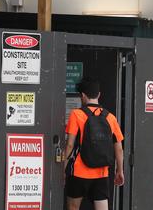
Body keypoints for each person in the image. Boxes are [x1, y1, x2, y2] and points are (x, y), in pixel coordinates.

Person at [64, 78, 124, 210]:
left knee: (73, 207)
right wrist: (119, 170)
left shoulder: (76, 114)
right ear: (99, 95)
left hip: (78, 172)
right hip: (101, 173)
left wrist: (63, 168)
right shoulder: (110, 117)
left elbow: (69, 145)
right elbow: (119, 148)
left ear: (83, 96)